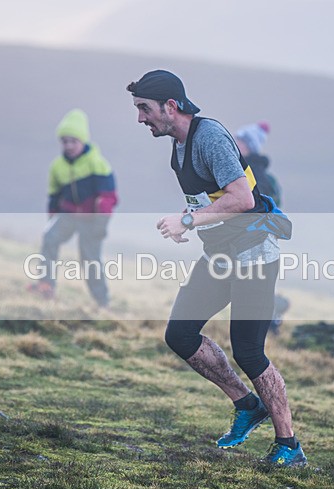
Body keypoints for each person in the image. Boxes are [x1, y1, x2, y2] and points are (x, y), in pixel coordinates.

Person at [126, 70, 306, 467]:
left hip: (255, 253)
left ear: (170, 106)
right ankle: (246, 404)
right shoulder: (179, 143)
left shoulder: (209, 137)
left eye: (144, 108)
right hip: (220, 255)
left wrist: (188, 221)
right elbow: (213, 199)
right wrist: (193, 220)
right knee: (180, 334)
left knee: (249, 351)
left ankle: (290, 446)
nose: (140, 118)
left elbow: (242, 199)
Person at [28, 108, 117, 307]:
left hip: (92, 219)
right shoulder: (57, 166)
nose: (68, 146)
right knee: (49, 239)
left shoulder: (98, 164)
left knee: (90, 259)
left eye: (73, 141)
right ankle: (45, 286)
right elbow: (54, 196)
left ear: (83, 140)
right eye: (64, 141)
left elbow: (108, 198)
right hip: (68, 215)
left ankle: (102, 302)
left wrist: (101, 225)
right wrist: (52, 220)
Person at [235, 122, 288, 334]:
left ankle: (272, 318)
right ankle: (273, 315)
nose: (235, 143)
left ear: (249, 146)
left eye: (240, 141)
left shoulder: (252, 173)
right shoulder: (257, 173)